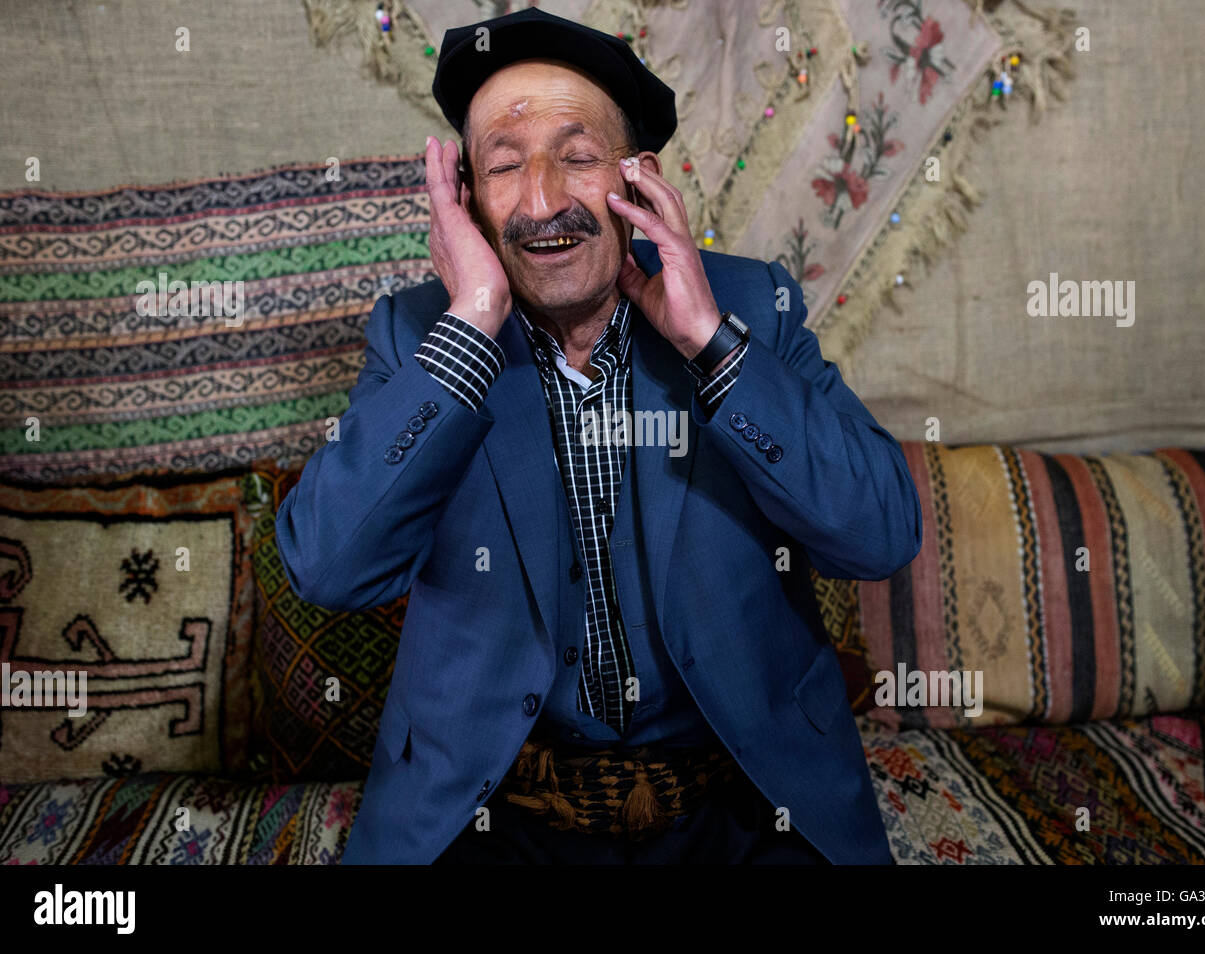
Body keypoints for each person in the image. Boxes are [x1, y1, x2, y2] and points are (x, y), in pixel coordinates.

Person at [275, 6, 922, 864]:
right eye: (504, 167)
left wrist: (711, 346)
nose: (541, 201)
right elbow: (327, 567)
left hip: (743, 805)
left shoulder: (750, 305)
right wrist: (470, 326)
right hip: (494, 814)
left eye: (577, 158)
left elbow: (880, 535)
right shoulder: (419, 333)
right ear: (465, 198)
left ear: (638, 179)